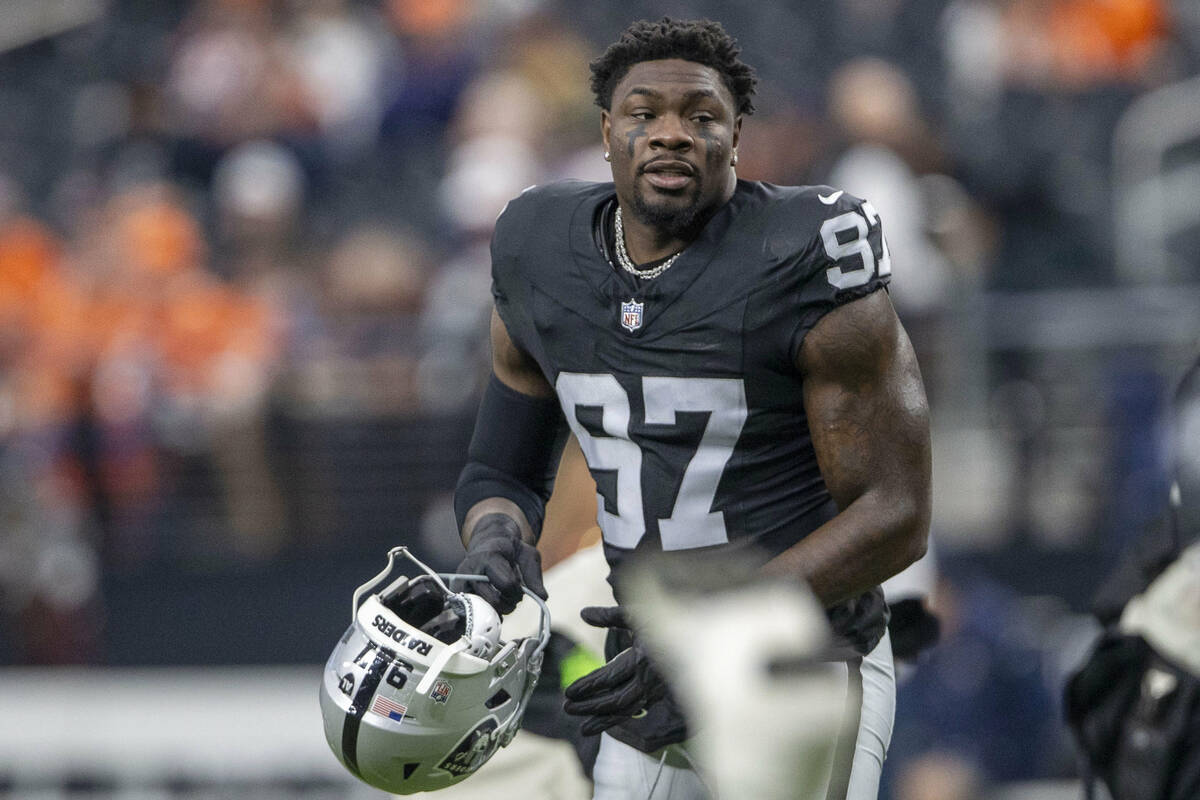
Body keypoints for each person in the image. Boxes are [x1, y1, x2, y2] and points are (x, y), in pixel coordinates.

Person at [453, 17, 931, 800]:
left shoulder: (807, 252)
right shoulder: (540, 247)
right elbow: (499, 467)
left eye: (701, 117)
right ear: (608, 131)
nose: (671, 134)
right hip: (649, 665)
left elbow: (897, 512)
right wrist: (497, 541)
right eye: (645, 114)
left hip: (799, 660)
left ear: (736, 137)